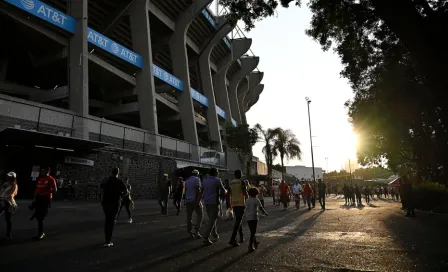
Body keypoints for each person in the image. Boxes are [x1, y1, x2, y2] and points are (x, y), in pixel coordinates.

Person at [101, 167, 128, 247]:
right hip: (115, 203)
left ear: (111, 172)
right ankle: (108, 240)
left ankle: (106, 238)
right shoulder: (120, 182)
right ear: (118, 173)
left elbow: (101, 186)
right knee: (111, 221)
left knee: (107, 219)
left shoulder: (105, 180)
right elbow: (126, 192)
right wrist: (120, 194)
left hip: (106, 203)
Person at [201, 168, 227, 245]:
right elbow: (223, 190)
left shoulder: (205, 180)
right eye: (217, 172)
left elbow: (201, 190)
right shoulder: (217, 180)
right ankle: (206, 237)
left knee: (211, 218)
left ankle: (214, 233)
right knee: (212, 219)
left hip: (206, 202)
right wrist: (226, 191)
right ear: (215, 173)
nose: (218, 173)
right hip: (214, 202)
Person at [32, 167, 57, 241]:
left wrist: (45, 193)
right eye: (42, 171)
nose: (42, 172)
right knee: (38, 216)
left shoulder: (51, 179)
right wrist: (35, 197)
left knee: (40, 216)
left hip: (45, 199)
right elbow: (37, 189)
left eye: (44, 171)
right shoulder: (40, 179)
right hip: (38, 199)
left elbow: (55, 190)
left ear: (48, 171)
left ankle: (41, 233)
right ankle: (40, 233)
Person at [229, 169, 248, 247]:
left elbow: (229, 193)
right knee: (238, 220)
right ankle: (233, 238)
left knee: (238, 219)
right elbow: (245, 192)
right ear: (240, 174)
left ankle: (241, 236)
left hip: (234, 203)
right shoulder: (241, 182)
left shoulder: (231, 182)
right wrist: (248, 200)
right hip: (240, 203)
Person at [246, 187, 268, 252]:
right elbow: (261, 208)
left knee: (252, 231)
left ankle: (255, 242)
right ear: (256, 193)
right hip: (254, 218)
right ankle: (250, 245)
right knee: (253, 232)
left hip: (248, 217)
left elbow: (246, 207)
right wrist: (265, 213)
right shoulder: (256, 200)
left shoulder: (247, 200)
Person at [184, 169, 203, 239]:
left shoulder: (187, 180)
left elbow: (185, 191)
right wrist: (198, 201)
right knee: (200, 215)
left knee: (189, 217)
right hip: (194, 200)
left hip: (188, 200)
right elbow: (198, 190)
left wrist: (185, 200)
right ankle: (196, 231)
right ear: (197, 174)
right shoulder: (197, 179)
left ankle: (189, 232)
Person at [0, 172, 18, 240]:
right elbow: (1, 191)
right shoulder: (5, 184)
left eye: (10, 177)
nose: (8, 178)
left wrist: (6, 198)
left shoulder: (14, 185)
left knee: (7, 219)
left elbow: (12, 194)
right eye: (8, 176)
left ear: (13, 178)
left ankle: (9, 234)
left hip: (9, 203)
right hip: (1, 201)